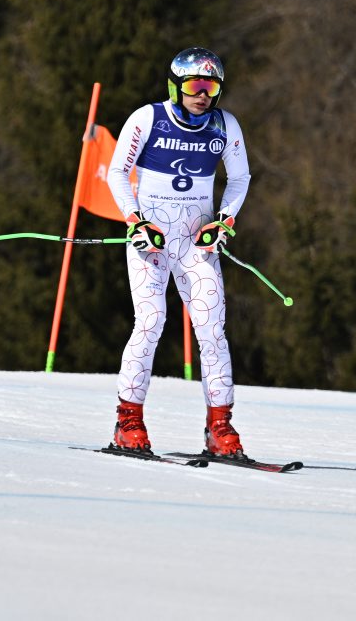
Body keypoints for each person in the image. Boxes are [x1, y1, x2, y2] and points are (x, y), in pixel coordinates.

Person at [106, 47, 252, 459]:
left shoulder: (226, 125)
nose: (203, 95)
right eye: (195, 85)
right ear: (176, 85)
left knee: (212, 330)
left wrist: (222, 221)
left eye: (211, 87)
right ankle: (128, 421)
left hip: (194, 243)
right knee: (151, 321)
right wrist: (135, 220)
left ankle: (219, 427)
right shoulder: (147, 118)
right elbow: (118, 171)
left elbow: (240, 178)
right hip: (150, 241)